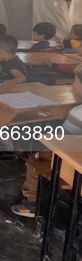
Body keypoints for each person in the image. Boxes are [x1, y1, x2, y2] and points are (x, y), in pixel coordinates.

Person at [12, 64, 82, 218]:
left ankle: (31, 202)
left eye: (75, 80)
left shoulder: (78, 113)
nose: (72, 83)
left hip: (73, 166)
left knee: (36, 158)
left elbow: (60, 139)